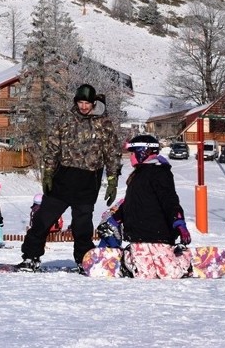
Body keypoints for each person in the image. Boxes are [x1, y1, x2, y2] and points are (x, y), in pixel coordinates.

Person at [17, 83, 122, 271]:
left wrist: (113, 179)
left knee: (82, 226)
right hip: (64, 177)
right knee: (43, 219)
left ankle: (84, 260)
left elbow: (112, 152)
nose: (83, 106)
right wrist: (48, 172)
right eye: (80, 102)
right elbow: (53, 146)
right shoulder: (66, 119)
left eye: (87, 103)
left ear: (93, 102)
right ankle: (30, 257)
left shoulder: (104, 123)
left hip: (89, 180)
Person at [112, 134, 192, 278]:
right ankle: (127, 260)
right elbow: (133, 203)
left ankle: (182, 256)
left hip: (158, 234)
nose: (130, 157)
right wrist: (116, 217)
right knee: (145, 275)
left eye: (132, 153)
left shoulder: (160, 172)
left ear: (143, 152)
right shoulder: (136, 175)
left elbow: (169, 200)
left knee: (170, 275)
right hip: (138, 235)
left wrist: (178, 221)